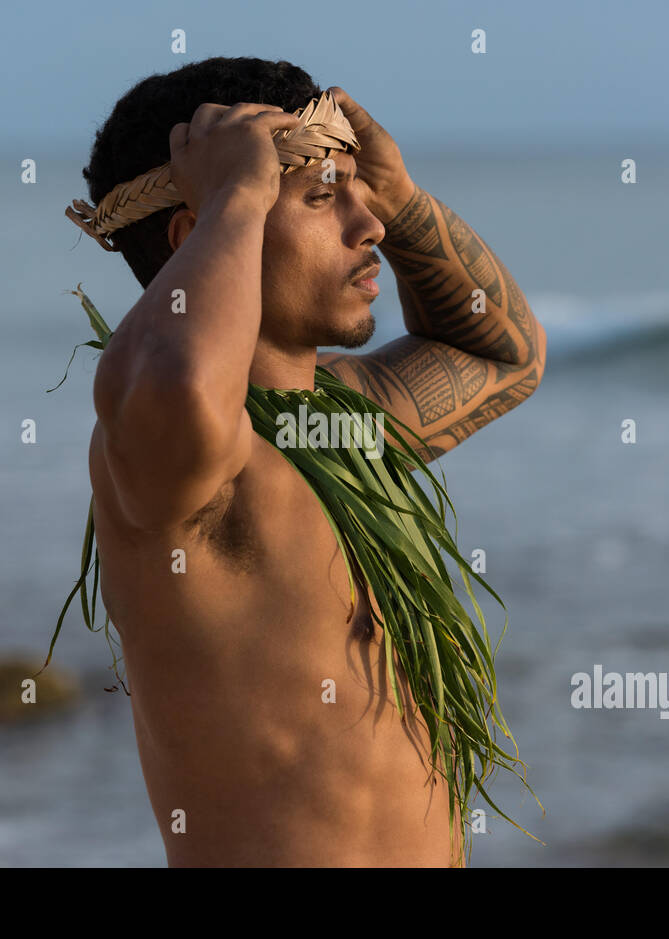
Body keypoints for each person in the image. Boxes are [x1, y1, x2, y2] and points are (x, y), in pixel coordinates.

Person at [75, 56, 546, 866]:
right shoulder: (173, 461)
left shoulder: (343, 419)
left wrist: (399, 194)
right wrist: (239, 192)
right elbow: (181, 384)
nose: (370, 227)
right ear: (200, 230)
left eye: (360, 196)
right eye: (324, 198)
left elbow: (505, 353)